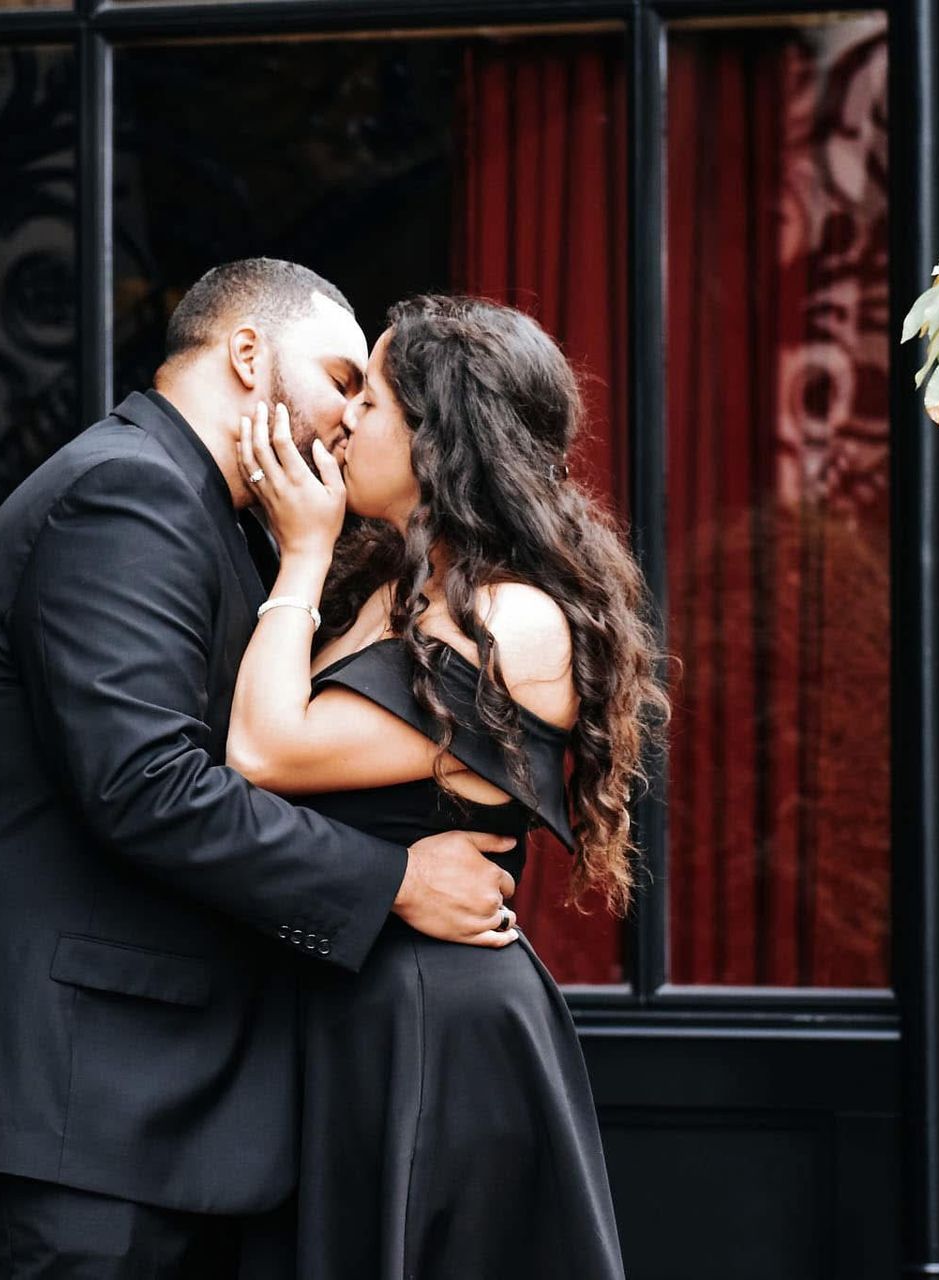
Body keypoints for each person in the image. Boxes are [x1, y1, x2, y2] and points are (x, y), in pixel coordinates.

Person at [0, 260, 521, 1278]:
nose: (352, 417)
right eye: (343, 377)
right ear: (248, 354)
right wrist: (395, 881)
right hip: (70, 1114)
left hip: (132, 1110)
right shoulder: (130, 493)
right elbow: (147, 785)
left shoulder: (201, 505)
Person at [226, 294, 665, 1279]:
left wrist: (299, 552)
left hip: (435, 1027)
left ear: (442, 440)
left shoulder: (519, 619)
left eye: (371, 399)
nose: (343, 419)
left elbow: (261, 749)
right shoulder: (394, 588)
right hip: (352, 1007)